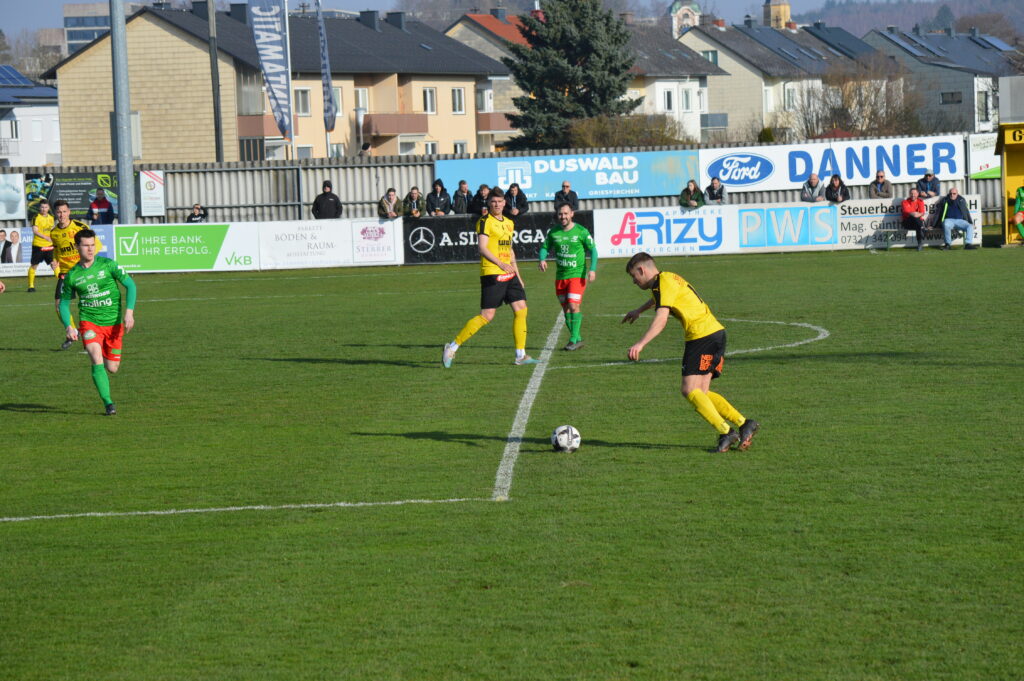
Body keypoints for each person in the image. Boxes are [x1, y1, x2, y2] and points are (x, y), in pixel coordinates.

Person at [622, 252, 759, 453]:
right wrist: (639, 310)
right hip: (715, 333)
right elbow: (658, 299)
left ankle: (726, 432)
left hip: (701, 336)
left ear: (642, 270)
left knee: (688, 389)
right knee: (701, 392)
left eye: (634, 276)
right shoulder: (667, 277)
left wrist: (640, 344)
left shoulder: (662, 283)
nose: (634, 281)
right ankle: (744, 423)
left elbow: (661, 319)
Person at [442, 187, 537, 368]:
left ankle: (521, 355)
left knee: (521, 309)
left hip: (509, 274)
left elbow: (509, 250)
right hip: (492, 273)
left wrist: (518, 274)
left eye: (500, 201)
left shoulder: (509, 222)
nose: (497, 204)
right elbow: (482, 248)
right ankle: (452, 347)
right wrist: (500, 264)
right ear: (489, 203)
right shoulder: (485, 222)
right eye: (493, 201)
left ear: (504, 202)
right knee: (487, 315)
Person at [59, 229, 136, 416]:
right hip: (89, 322)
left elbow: (131, 285)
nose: (90, 249)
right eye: (86, 245)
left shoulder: (108, 265)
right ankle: (109, 404)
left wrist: (129, 313)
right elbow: (64, 303)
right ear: (77, 247)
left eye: (92, 245)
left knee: (112, 368)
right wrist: (69, 326)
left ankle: (103, 352)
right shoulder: (72, 275)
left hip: (114, 323)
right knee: (95, 356)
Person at [538, 202, 597, 351]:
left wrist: (592, 269)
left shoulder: (581, 231)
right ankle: (577, 338)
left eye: (565, 213)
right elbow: (545, 247)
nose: (563, 216)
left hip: (577, 275)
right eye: (560, 214)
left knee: (573, 305)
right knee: (565, 309)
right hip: (560, 276)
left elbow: (593, 250)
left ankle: (572, 339)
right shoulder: (554, 232)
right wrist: (542, 259)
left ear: (572, 214)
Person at [50, 199, 102, 350]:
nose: (62, 215)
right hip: (66, 274)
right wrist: (55, 266)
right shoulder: (54, 233)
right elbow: (57, 252)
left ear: (69, 212)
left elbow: (96, 246)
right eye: (59, 212)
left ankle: (94, 337)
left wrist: (86, 264)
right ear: (55, 213)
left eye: (64, 211)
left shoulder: (80, 227)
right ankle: (73, 331)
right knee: (59, 306)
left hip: (82, 271)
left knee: (90, 305)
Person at [27, 199, 58, 291]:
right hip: (38, 245)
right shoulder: (36, 217)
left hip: (49, 245)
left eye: (45, 207)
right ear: (39, 208)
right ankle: (31, 286)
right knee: (34, 265)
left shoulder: (51, 218)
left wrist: (53, 238)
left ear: (48, 208)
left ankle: (62, 284)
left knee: (54, 264)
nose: (44, 209)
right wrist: (46, 237)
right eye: (42, 207)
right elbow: (35, 231)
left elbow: (52, 229)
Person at [901, 187, 928, 251]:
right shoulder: (905, 202)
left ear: (918, 194)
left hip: (917, 223)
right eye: (911, 193)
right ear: (909, 194)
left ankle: (919, 244)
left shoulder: (920, 201)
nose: (913, 195)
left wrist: (917, 214)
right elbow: (910, 213)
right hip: (907, 222)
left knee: (918, 224)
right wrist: (917, 214)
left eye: (914, 193)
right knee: (916, 219)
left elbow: (922, 213)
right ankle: (922, 229)